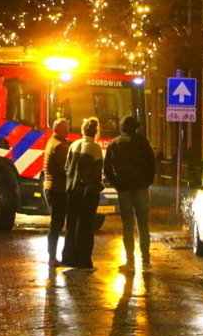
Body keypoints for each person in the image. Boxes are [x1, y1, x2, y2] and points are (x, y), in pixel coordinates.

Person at [103, 115, 156, 272]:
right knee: (143, 224)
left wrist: (116, 183)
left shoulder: (115, 144)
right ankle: (146, 260)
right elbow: (152, 164)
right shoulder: (142, 143)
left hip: (124, 189)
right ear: (136, 127)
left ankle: (130, 261)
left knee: (127, 225)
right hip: (141, 188)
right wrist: (148, 181)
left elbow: (107, 168)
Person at [61, 117, 104, 271]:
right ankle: (84, 261)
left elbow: (67, 167)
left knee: (71, 225)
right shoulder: (95, 148)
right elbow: (97, 173)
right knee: (85, 226)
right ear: (96, 131)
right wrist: (97, 187)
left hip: (71, 191)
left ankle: (68, 257)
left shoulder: (73, 145)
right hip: (87, 193)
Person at [42, 118, 71, 267]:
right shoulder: (59, 147)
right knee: (57, 224)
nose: (67, 131)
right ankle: (52, 257)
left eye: (67, 128)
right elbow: (66, 169)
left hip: (51, 187)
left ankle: (52, 256)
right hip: (57, 189)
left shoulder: (51, 142)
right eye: (64, 128)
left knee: (56, 223)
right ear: (56, 130)